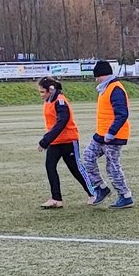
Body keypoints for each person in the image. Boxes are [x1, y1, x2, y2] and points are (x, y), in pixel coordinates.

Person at [81, 60, 135, 209]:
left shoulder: (115, 89)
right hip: (101, 134)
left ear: (101, 75)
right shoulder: (105, 88)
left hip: (114, 136)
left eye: (96, 76)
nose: (95, 79)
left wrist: (111, 132)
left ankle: (125, 195)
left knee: (113, 167)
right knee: (88, 156)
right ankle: (101, 188)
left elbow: (122, 114)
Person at [36, 77, 93, 208]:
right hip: (55, 141)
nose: (41, 95)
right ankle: (56, 199)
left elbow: (61, 122)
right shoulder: (48, 101)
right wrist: (49, 140)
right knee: (50, 166)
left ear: (50, 90)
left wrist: (46, 140)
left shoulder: (60, 102)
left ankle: (93, 193)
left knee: (76, 168)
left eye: (42, 92)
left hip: (68, 140)